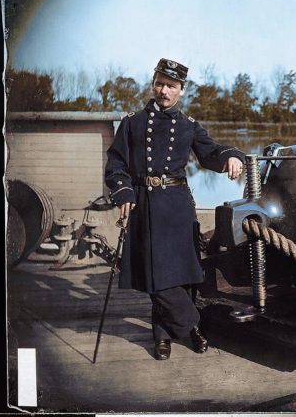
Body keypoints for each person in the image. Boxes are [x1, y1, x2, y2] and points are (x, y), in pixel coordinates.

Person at [104, 58, 245, 360]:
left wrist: (232, 157)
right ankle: (191, 326)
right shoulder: (132, 123)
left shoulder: (188, 126)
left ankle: (164, 336)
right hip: (145, 205)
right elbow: (116, 162)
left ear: (182, 90)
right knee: (156, 273)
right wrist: (124, 190)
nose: (164, 91)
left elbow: (211, 154)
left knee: (182, 272)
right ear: (153, 84)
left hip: (178, 205)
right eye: (159, 83)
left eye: (171, 86)